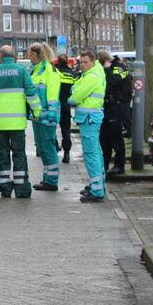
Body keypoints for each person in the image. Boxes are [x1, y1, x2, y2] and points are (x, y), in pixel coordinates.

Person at [0, 45, 40, 199]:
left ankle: (5, 187)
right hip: (17, 123)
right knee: (19, 154)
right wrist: (37, 111)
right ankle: (22, 189)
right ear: (15, 56)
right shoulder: (22, 71)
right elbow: (31, 93)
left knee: (1, 155)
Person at [69, 49, 107, 203]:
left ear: (93, 61)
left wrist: (72, 96)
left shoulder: (91, 76)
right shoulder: (96, 72)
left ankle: (96, 190)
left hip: (89, 118)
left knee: (91, 154)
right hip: (92, 117)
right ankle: (98, 184)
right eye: (81, 62)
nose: (83, 65)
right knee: (96, 152)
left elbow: (75, 96)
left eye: (85, 62)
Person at [27, 42, 61, 192]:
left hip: (46, 116)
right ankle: (47, 178)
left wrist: (52, 114)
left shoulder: (49, 70)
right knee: (42, 147)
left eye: (30, 54)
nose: (29, 57)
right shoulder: (36, 70)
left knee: (48, 147)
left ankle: (52, 181)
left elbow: (52, 94)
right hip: (38, 116)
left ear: (37, 55)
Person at [99, 51, 131, 176]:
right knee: (104, 138)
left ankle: (119, 165)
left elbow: (115, 81)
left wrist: (107, 70)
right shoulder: (111, 67)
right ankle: (105, 164)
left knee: (116, 137)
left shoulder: (120, 67)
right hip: (107, 106)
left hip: (117, 107)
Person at [54, 54, 78, 163]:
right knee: (65, 130)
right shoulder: (72, 74)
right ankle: (66, 153)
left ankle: (54, 147)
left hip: (54, 105)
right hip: (66, 105)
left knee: (51, 129)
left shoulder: (54, 72)